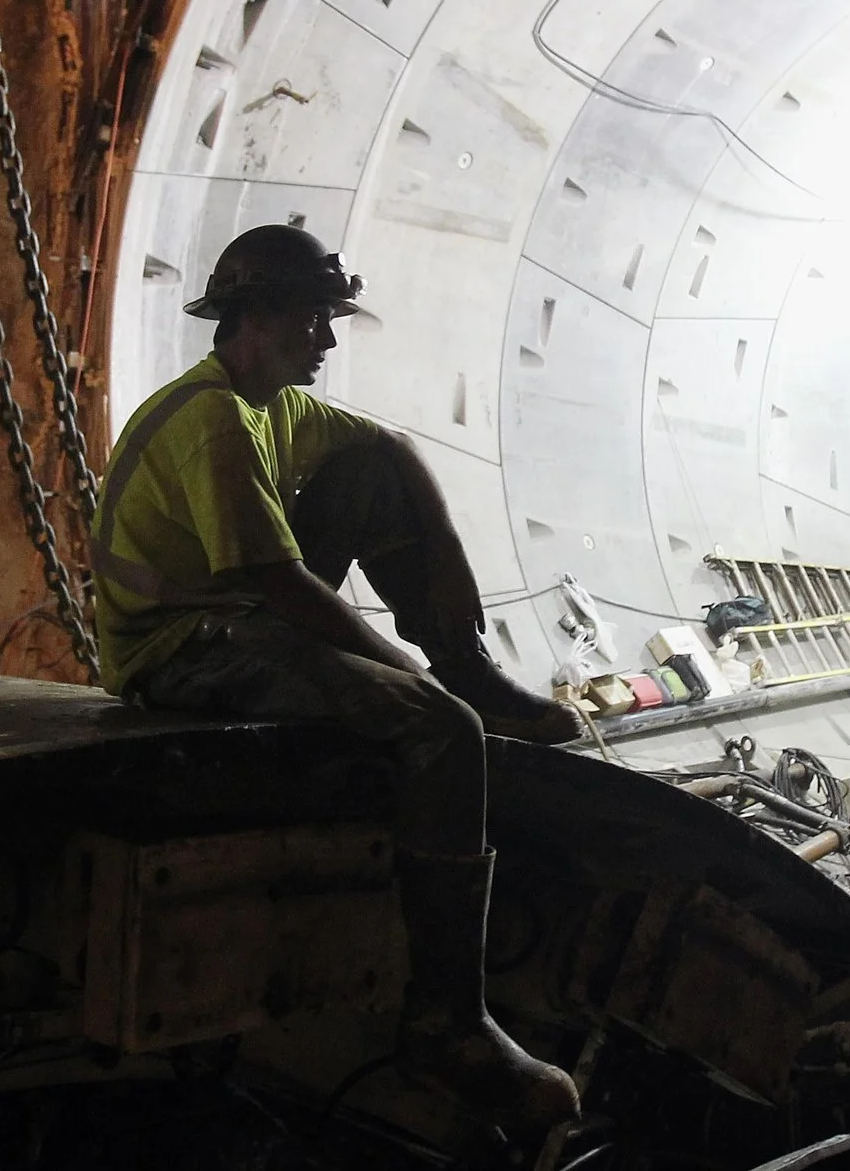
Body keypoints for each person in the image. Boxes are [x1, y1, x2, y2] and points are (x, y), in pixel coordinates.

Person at [90, 224, 581, 1133]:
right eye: (313, 319)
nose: (326, 337)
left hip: (232, 612)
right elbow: (275, 582)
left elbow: (387, 455)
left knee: (371, 467)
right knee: (441, 734)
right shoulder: (214, 421)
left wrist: (451, 603)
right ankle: (446, 1020)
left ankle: (470, 671)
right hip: (179, 646)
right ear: (256, 317)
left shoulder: (273, 405)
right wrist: (402, 677)